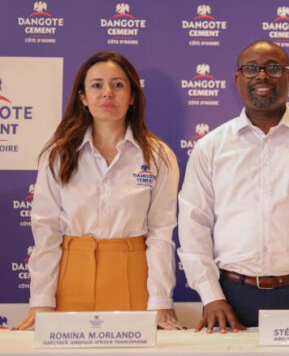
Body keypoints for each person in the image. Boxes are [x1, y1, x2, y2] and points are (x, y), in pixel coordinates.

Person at [178, 40, 289, 333]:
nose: (262, 76)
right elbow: (193, 225)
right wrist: (211, 297)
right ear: (238, 79)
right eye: (251, 68)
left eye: (273, 68)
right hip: (230, 300)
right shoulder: (211, 146)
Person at [14, 51, 182, 330]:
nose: (107, 93)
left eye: (118, 85)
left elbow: (161, 234)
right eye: (96, 85)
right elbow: (46, 230)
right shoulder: (58, 154)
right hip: (70, 280)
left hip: (132, 277)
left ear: (132, 97)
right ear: (83, 98)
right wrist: (41, 300)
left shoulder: (158, 156)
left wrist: (161, 301)